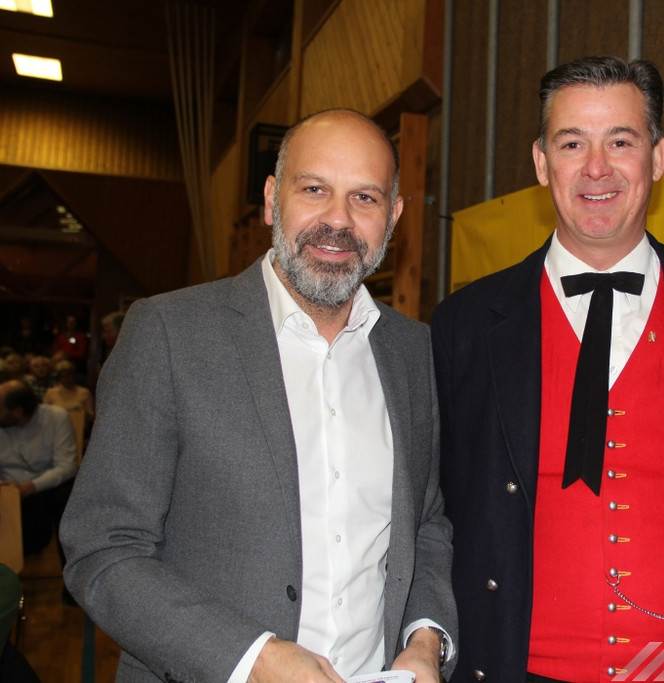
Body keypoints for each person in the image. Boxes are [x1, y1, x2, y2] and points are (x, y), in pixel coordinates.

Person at [60, 108, 457, 683]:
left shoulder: (413, 352)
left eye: (365, 198)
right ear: (272, 199)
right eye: (314, 189)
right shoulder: (169, 333)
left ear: (392, 217)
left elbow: (425, 523)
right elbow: (103, 548)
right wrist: (254, 659)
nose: (338, 219)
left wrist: (425, 639)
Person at [431, 56, 664, 682]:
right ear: (542, 162)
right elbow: (446, 505)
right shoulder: (465, 325)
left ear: (658, 157)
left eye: (621, 141)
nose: (597, 167)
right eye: (573, 143)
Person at [0, 381, 78, 558]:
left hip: (45, 487)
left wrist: (31, 486)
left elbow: (67, 466)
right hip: (7, 489)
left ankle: (69, 566)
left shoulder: (56, 417)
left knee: (66, 497)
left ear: (17, 412)